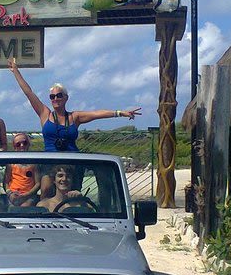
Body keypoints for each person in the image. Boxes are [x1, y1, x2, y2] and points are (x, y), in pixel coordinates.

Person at [8, 58, 141, 196]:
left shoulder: (74, 117)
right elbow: (29, 93)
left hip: (72, 163)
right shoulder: (45, 114)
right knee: (46, 189)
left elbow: (96, 114)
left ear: (66, 98)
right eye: (52, 96)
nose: (55, 99)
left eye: (59, 95)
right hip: (50, 163)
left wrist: (120, 113)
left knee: (72, 194)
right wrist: (15, 71)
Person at [4, 133, 41, 207]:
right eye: (18, 144)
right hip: (13, 194)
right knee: (12, 209)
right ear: (14, 147)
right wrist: (10, 194)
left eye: (25, 143)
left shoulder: (34, 163)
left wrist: (26, 195)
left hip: (29, 195)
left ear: (28, 144)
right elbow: (6, 182)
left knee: (25, 207)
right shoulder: (10, 164)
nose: (22, 146)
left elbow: (38, 184)